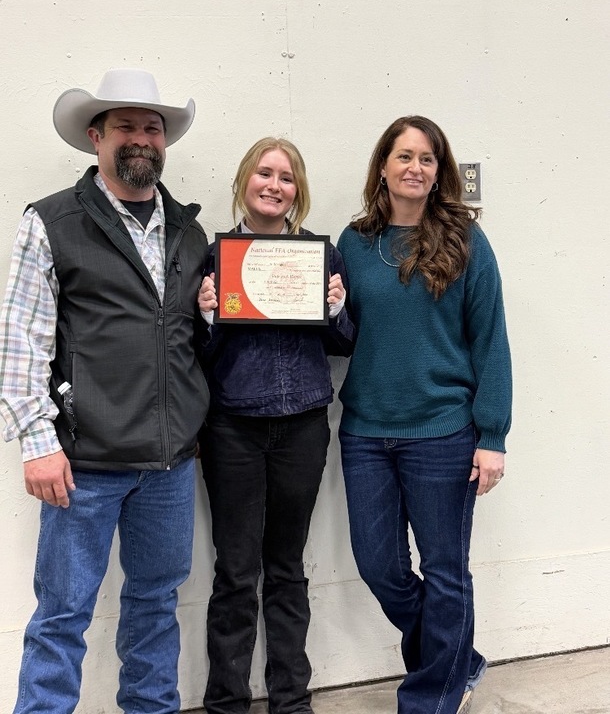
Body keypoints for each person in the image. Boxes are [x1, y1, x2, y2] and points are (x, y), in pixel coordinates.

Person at [0, 68, 210, 714]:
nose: (142, 138)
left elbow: (184, 338)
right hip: (83, 465)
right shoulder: (51, 223)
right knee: (63, 614)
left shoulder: (189, 232)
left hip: (169, 466)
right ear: (96, 137)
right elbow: (19, 342)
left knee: (154, 607)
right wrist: (38, 443)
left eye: (153, 128)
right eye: (126, 126)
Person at [336, 116, 512, 714]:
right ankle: (456, 659)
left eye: (428, 159)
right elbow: (346, 337)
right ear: (382, 166)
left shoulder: (465, 239)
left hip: (442, 431)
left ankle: (432, 695)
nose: (416, 167)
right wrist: (331, 314)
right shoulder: (354, 242)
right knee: (379, 565)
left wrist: (492, 434)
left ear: (439, 173)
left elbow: (490, 339)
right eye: (404, 155)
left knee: (444, 571)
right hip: (364, 431)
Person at [197, 137, 354, 714]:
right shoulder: (214, 258)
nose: (274, 185)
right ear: (244, 180)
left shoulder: (322, 255)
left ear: (298, 190)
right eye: (264, 173)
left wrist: (336, 307)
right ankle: (227, 704)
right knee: (236, 572)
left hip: (303, 427)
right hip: (233, 428)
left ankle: (291, 701)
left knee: (287, 568)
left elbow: (344, 343)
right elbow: (197, 354)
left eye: (286, 178)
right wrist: (208, 317)